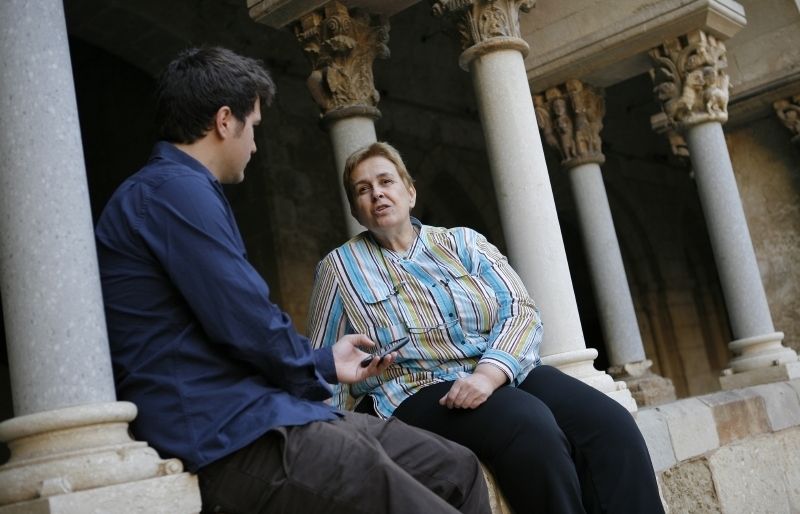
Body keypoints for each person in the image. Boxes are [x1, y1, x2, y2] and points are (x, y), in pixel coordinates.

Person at [95, 47, 490, 514]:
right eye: (254, 126)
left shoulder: (182, 189)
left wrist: (323, 362)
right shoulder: (170, 191)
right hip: (229, 435)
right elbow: (242, 317)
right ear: (226, 121)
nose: (255, 145)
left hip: (269, 415)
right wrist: (314, 365)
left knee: (455, 467)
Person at [308, 141, 666, 514]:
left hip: (498, 367)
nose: (377, 193)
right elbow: (324, 363)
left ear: (409, 192)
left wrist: (489, 373)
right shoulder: (338, 269)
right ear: (355, 208)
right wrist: (329, 447)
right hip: (415, 390)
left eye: (386, 181)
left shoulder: (463, 242)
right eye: (363, 189)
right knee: (527, 425)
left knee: (610, 425)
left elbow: (521, 310)